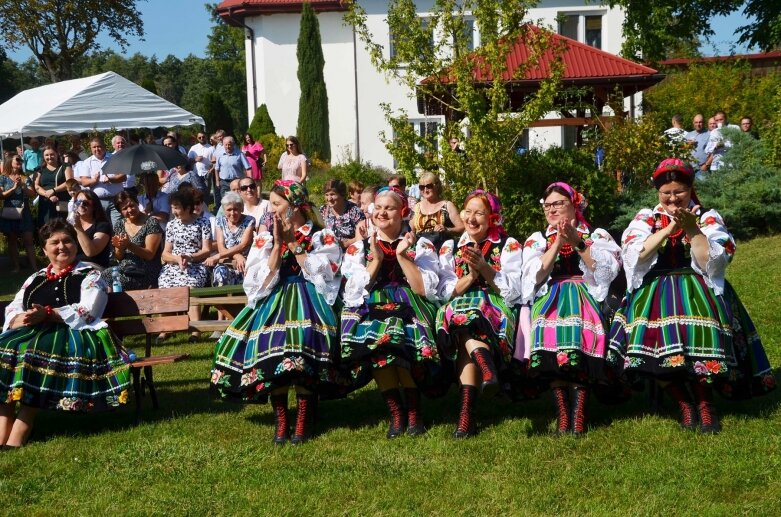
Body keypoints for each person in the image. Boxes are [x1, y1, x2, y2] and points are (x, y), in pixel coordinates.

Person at [211, 180, 349, 445]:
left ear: (295, 206)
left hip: (309, 297)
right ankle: (282, 420)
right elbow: (259, 279)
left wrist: (293, 244)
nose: (271, 210)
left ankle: (303, 419)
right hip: (275, 296)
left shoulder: (320, 235)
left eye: (277, 204)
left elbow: (325, 272)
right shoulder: (265, 236)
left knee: (303, 345)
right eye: (271, 204)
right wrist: (276, 245)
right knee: (271, 346)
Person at [608, 158, 738, 433]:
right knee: (651, 350)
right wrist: (668, 229)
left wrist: (691, 228)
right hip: (653, 292)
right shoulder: (647, 217)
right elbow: (636, 255)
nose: (672, 198)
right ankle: (684, 405)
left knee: (698, 342)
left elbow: (712, 262)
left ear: (690, 189)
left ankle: (705, 406)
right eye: (666, 193)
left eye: (678, 191)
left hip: (696, 288)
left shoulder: (707, 217)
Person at [0, 220, 130, 449]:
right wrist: (17, 319)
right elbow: (15, 305)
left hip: (74, 333)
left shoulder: (91, 275)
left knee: (32, 354)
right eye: (55, 242)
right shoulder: (35, 278)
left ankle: (23, 425)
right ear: (44, 249)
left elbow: (90, 310)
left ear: (76, 245)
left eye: (67, 241)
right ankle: (3, 425)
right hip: (32, 330)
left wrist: (49, 314)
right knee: (3, 352)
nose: (62, 246)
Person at [340, 186, 444, 438]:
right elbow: (355, 294)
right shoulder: (361, 247)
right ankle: (397, 414)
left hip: (410, 299)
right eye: (379, 207)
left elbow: (421, 289)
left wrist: (402, 256)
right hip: (373, 299)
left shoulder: (420, 244)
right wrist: (375, 260)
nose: (382, 213)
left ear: (403, 212)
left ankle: (414, 414)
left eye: (390, 208)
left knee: (405, 344)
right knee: (379, 345)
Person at [521, 182, 621, 436]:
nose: (552, 209)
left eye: (558, 204)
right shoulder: (539, 239)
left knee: (578, 333)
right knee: (547, 331)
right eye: (547, 205)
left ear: (574, 206)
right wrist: (556, 243)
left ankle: (578, 416)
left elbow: (606, 273)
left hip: (585, 293)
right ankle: (563, 415)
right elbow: (535, 276)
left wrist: (577, 241)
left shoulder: (595, 235)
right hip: (550, 294)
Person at [436, 190, 523, 437]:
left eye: (480, 213)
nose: (472, 219)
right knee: (462, 315)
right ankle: (486, 371)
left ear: (492, 218)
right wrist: (472, 276)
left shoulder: (507, 245)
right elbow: (446, 291)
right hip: (459, 305)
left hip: (495, 305)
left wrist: (484, 268)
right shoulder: (451, 247)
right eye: (468, 212)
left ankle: (466, 415)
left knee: (466, 322)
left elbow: (512, 292)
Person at [158, 188, 212, 340]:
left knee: (190, 286)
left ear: (188, 208)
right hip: (174, 265)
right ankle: (166, 328)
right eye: (172, 206)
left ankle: (195, 329)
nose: (173, 210)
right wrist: (177, 259)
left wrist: (189, 257)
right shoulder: (171, 225)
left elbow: (207, 250)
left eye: (176, 207)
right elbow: (165, 253)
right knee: (164, 284)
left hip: (195, 265)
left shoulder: (203, 222)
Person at [102, 191, 164, 291]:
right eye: (125, 208)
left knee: (117, 282)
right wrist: (120, 248)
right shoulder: (119, 225)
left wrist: (129, 245)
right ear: (120, 211)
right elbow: (119, 257)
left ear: (137, 203)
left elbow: (150, 255)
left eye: (132, 205)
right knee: (104, 276)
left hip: (145, 270)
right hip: (125, 268)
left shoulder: (150, 223)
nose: (130, 210)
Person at [205, 192, 255, 287]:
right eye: (229, 210)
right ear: (224, 210)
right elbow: (221, 247)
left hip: (245, 261)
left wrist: (217, 256)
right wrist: (237, 256)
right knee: (220, 273)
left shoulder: (249, 220)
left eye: (236, 209)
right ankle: (222, 300)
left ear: (242, 209)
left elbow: (243, 245)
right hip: (226, 261)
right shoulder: (220, 221)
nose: (232, 213)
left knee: (249, 275)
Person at [410, 171, 464, 249]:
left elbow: (461, 228)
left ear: (437, 186)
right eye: (422, 187)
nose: (425, 190)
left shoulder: (447, 205)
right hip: (421, 249)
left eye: (429, 186)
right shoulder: (417, 207)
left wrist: (447, 229)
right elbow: (411, 231)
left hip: (442, 248)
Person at [0, 156, 37, 272]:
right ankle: (16, 266)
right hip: (10, 210)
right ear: (10, 162)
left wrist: (21, 186)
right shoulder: (3, 178)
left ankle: (35, 267)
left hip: (24, 210)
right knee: (12, 239)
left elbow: (32, 194)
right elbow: (1, 196)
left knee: (28, 239)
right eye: (18, 160)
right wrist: (14, 188)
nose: (20, 162)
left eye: (21, 160)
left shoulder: (25, 177)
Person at [319, 178, 366, 249]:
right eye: (326, 195)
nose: (329, 199)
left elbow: (364, 234)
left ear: (342, 195)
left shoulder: (355, 211)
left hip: (351, 252)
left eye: (332, 194)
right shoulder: (323, 210)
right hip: (329, 252)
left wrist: (348, 243)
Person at [34, 145, 73, 226]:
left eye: (52, 154)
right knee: (46, 228)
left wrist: (54, 190)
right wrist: (48, 195)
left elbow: (69, 182)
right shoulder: (40, 169)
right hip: (46, 204)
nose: (49, 157)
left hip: (61, 202)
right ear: (43, 156)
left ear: (57, 154)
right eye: (46, 155)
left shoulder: (65, 167)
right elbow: (37, 186)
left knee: (63, 227)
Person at [72, 190, 112, 268]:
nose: (81, 205)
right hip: (72, 266)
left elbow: (91, 252)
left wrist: (78, 228)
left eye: (85, 203)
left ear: (94, 206)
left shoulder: (103, 225)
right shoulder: (69, 225)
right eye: (77, 202)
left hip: (93, 267)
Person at [215, 136, 251, 204]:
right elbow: (216, 169)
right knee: (225, 201)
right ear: (223, 145)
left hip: (237, 182)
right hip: (224, 182)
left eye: (229, 144)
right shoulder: (220, 155)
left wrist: (249, 180)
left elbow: (248, 168)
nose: (227, 146)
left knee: (238, 201)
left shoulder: (240, 154)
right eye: (225, 145)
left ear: (233, 144)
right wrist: (217, 181)